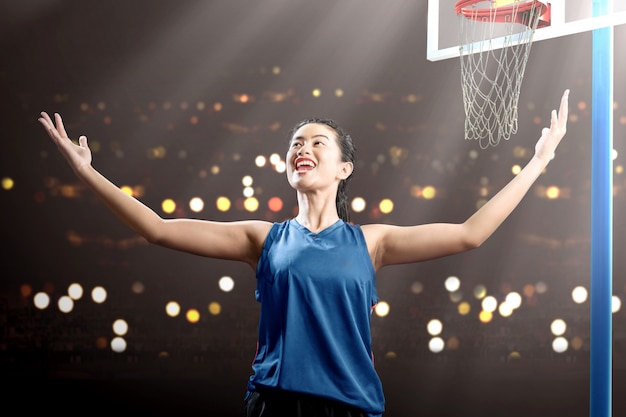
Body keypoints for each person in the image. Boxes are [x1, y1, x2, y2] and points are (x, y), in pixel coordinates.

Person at [38, 89, 569, 417]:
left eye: (318, 142)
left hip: (351, 408)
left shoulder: (372, 241)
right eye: (296, 142)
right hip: (275, 405)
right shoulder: (263, 239)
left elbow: (470, 233)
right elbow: (156, 228)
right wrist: (86, 172)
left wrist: (539, 161)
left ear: (344, 170)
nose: (303, 148)